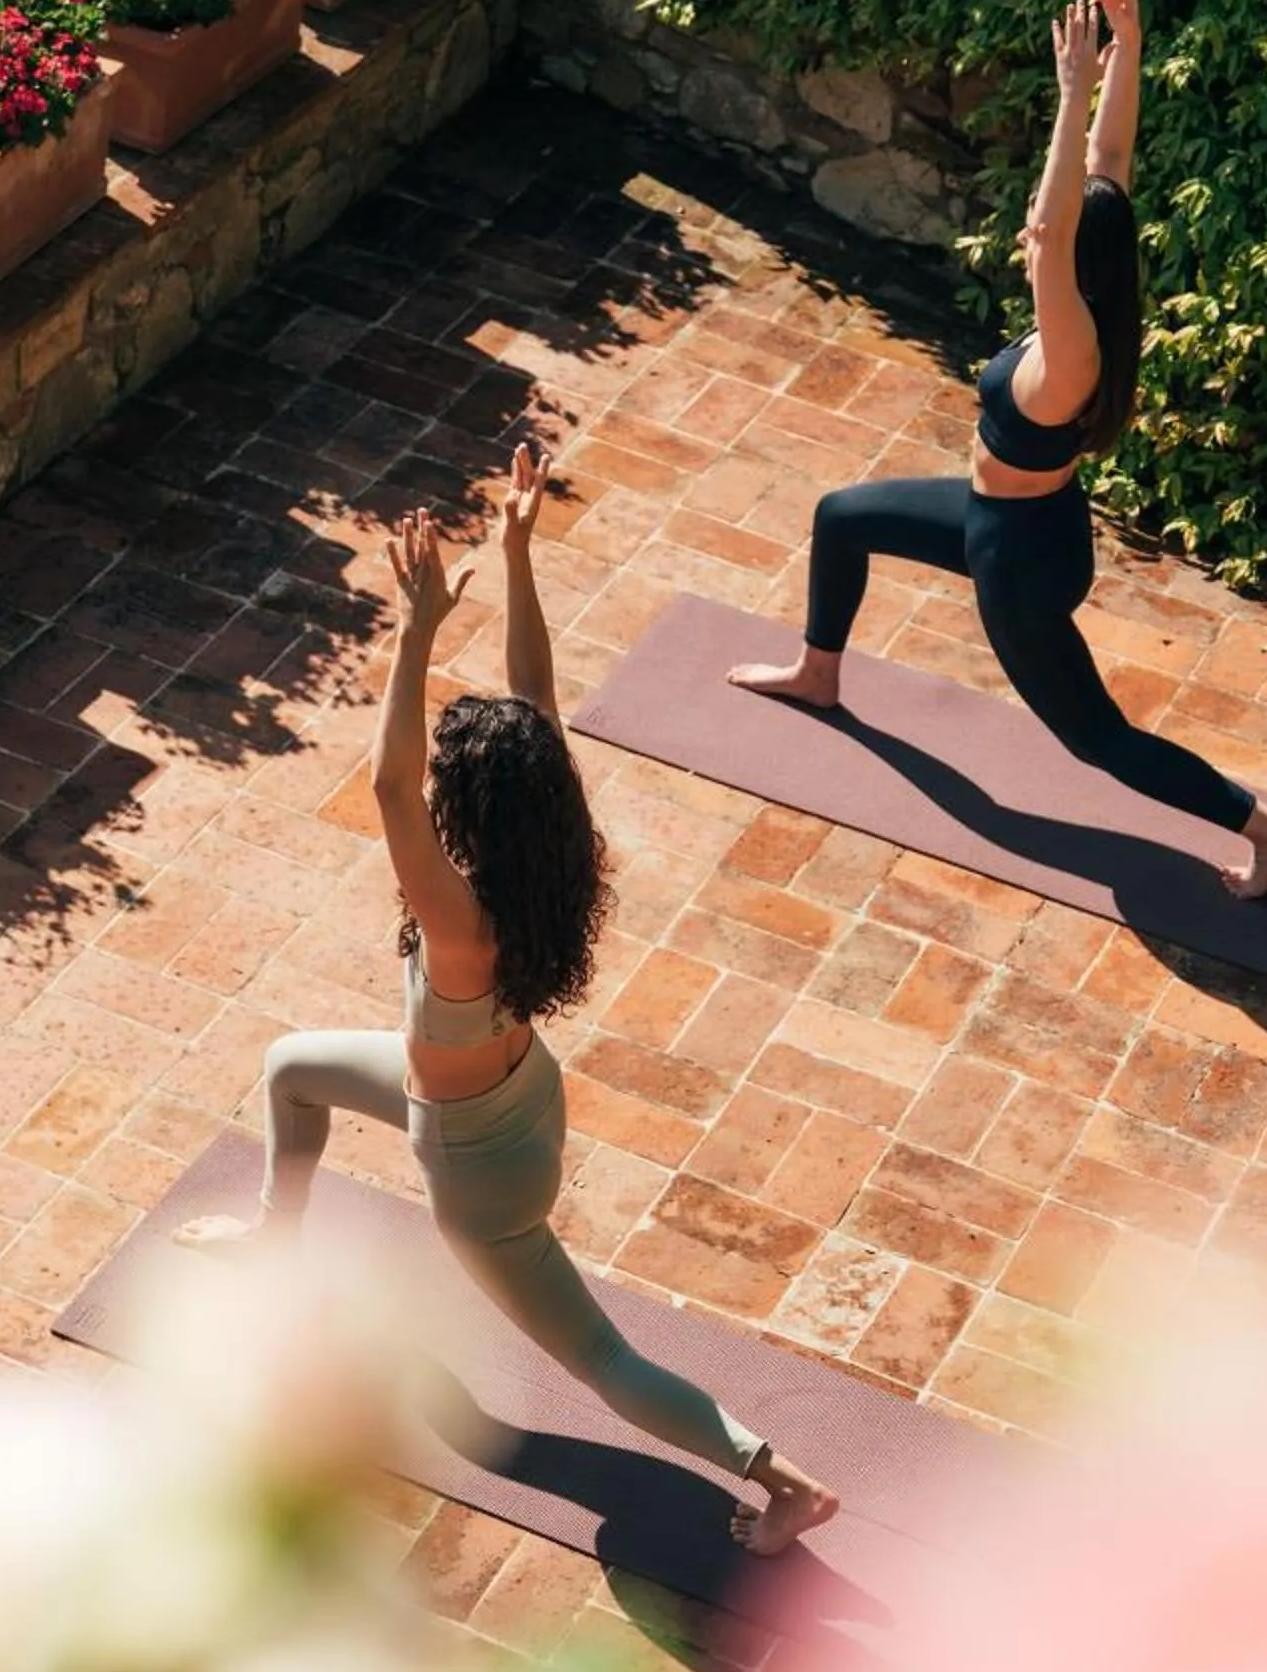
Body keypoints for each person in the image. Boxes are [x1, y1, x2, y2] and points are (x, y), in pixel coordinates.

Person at [180, 449, 840, 1558]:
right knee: (293, 1065)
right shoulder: (549, 848)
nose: (433, 785)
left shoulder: (460, 923)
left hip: (481, 1173)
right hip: (515, 1093)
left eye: (451, 780)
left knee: (597, 1361)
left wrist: (419, 627)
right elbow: (536, 703)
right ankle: (273, 1232)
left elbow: (388, 786)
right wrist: (521, 553)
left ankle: (784, 1481)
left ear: (469, 806)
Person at [731, 0, 1267, 901]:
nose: (1046, 228)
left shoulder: (1074, 346)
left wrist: (1072, 87)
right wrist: (1128, 46)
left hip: (1021, 562)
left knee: (1097, 741)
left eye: (1062, 232)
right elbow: (1109, 161)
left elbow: (1045, 230)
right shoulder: (1100, 294)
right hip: (1003, 517)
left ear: (1077, 256)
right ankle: (817, 673)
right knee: (843, 516)